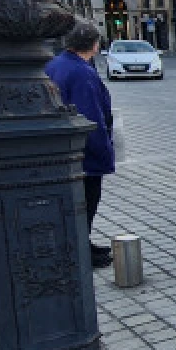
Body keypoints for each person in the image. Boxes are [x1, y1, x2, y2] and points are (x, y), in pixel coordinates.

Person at [45, 21, 115, 269]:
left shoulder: (55, 64)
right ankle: (78, 249)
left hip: (64, 148)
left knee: (76, 203)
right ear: (95, 46)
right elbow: (91, 117)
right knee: (85, 201)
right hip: (82, 152)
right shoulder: (82, 73)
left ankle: (81, 242)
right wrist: (104, 153)